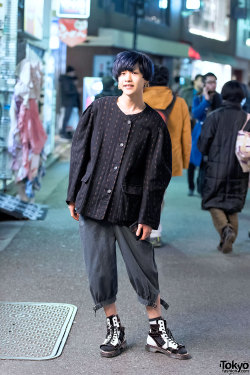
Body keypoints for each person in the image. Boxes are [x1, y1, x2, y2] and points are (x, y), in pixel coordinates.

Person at [67, 51, 190, 360]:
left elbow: (155, 176)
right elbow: (79, 152)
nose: (127, 77)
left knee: (144, 269)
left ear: (145, 78)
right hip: (92, 202)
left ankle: (156, 331)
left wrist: (149, 217)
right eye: (123, 72)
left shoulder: (153, 123)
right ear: (116, 76)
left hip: (130, 208)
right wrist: (73, 194)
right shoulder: (99, 109)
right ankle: (114, 326)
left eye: (134, 72)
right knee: (100, 268)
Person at [197, 80, 250, 253]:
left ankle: (226, 231)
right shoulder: (247, 118)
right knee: (232, 206)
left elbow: (203, 145)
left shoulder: (214, 116)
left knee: (213, 202)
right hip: (240, 169)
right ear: (242, 97)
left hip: (216, 168)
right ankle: (226, 240)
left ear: (224, 94)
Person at [143, 65, 191, 247]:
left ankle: (138, 228)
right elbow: (186, 135)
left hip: (141, 155)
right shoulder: (179, 103)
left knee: (139, 191)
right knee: (158, 194)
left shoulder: (139, 98)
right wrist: (184, 162)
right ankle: (155, 231)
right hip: (168, 157)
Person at [188, 72, 222, 196]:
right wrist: (206, 101)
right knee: (193, 160)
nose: (213, 85)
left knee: (206, 163)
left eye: (215, 82)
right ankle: (191, 186)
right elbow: (195, 114)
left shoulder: (219, 98)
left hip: (213, 134)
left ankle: (202, 187)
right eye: (210, 82)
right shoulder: (198, 97)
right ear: (204, 84)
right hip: (199, 133)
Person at [59, 66, 80, 139]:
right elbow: (67, 91)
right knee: (66, 118)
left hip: (69, 102)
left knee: (67, 118)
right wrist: (76, 91)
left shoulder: (67, 80)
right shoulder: (66, 80)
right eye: (73, 72)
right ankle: (63, 133)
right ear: (70, 72)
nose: (74, 73)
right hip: (68, 102)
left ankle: (65, 132)